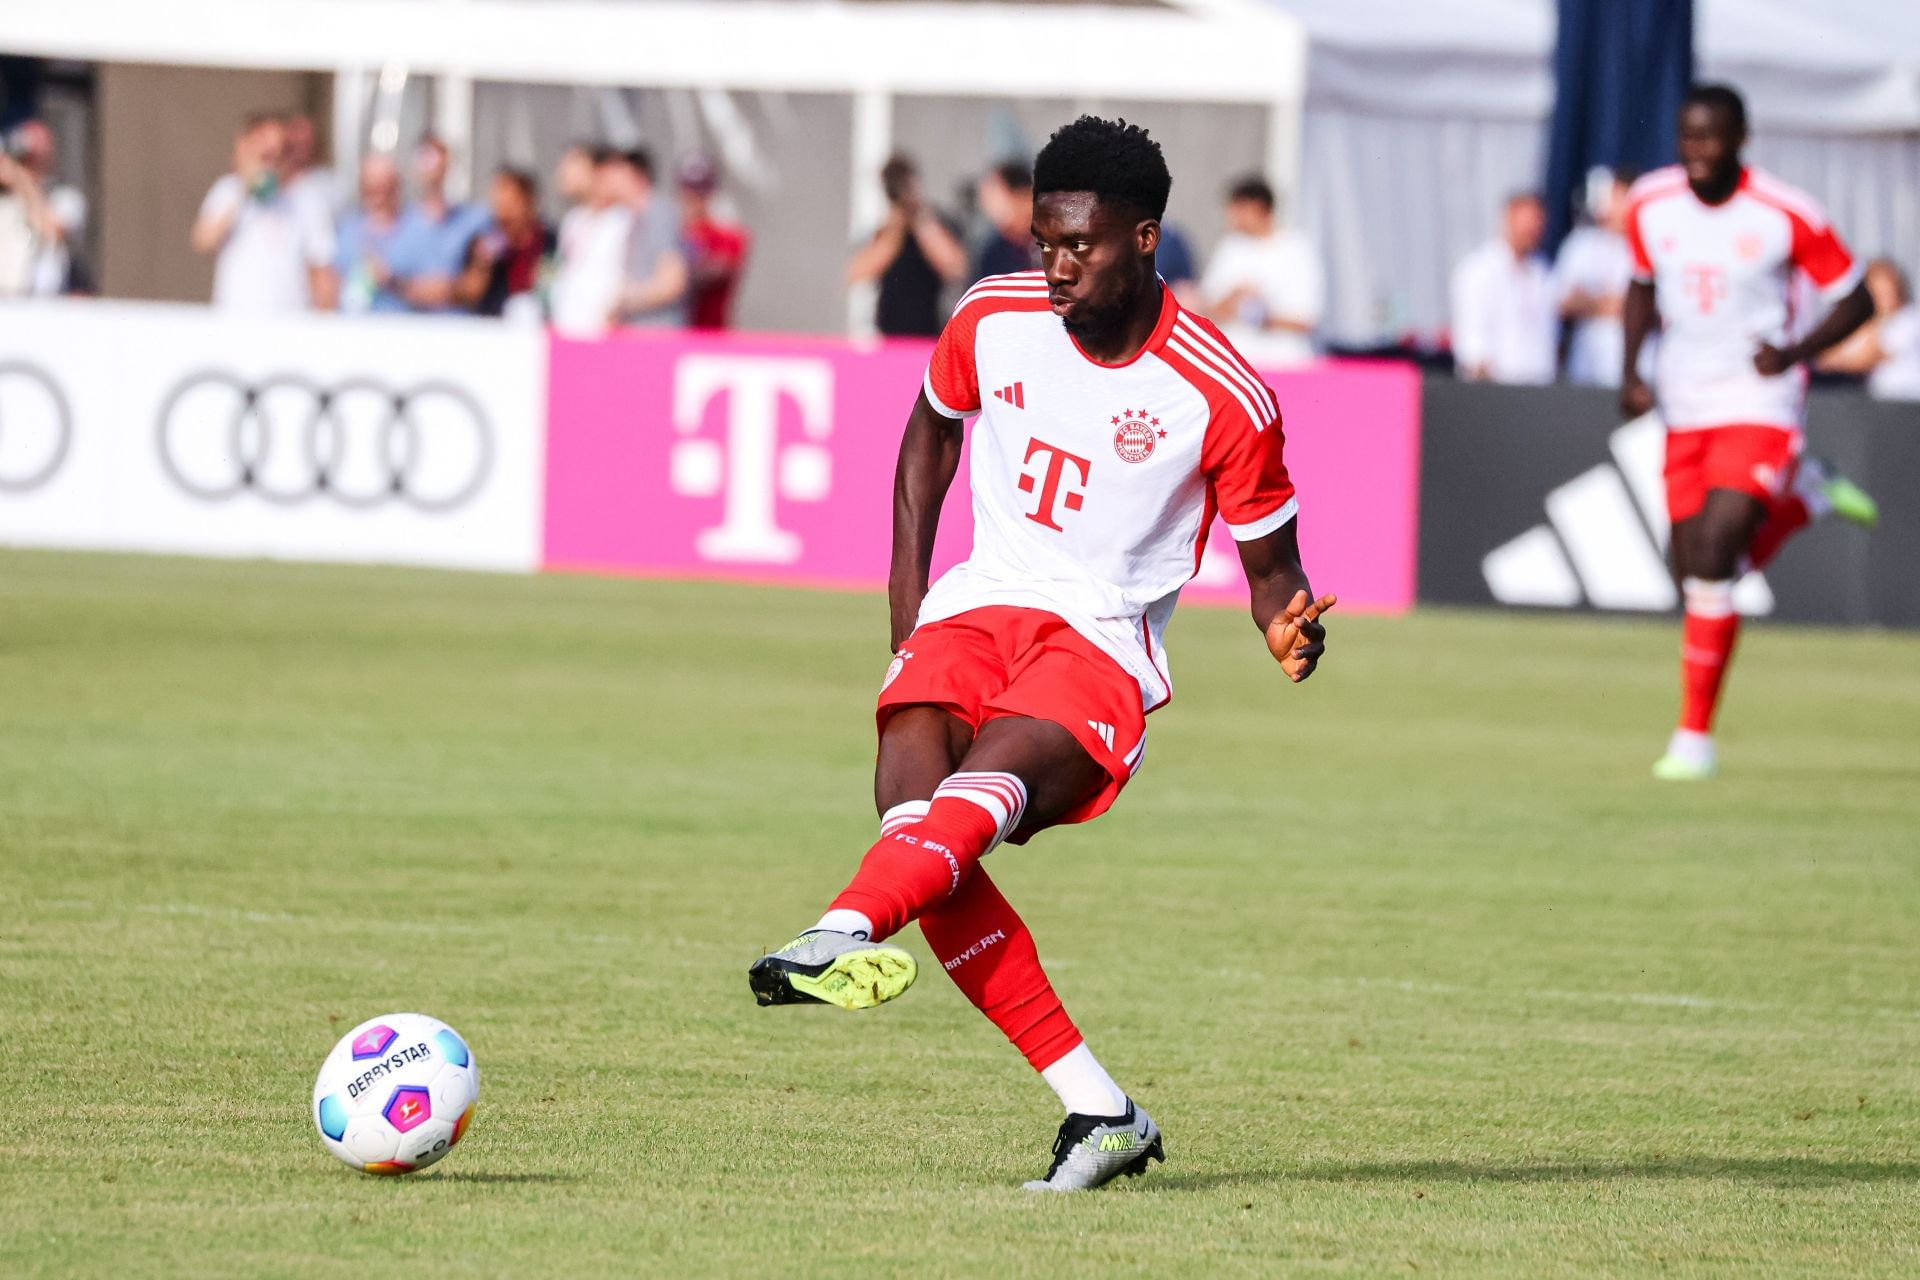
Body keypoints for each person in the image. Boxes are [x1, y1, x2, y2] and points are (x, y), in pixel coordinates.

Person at [746, 117, 1332, 1193]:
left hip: (1100, 639)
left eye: (1082, 246)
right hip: (975, 609)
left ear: (1146, 239)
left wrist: (1289, 625)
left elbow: (1273, 569)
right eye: (1044, 240)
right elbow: (929, 428)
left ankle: (836, 928)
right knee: (917, 827)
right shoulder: (992, 315)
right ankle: (1101, 1111)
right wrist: (907, 606)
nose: (1056, 265)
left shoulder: (1221, 391)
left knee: (969, 802)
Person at [1620, 83, 1880, 781]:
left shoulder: (1785, 213)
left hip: (1759, 401)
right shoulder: (1649, 202)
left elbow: (1856, 298)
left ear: (1740, 139)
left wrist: (1794, 354)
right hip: (1684, 403)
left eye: (1710, 138)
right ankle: (1809, 498)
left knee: (1713, 555)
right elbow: (1642, 286)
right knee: (1697, 575)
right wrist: (1630, 371)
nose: (1697, 152)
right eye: (1687, 137)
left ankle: (1693, 739)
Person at [190, 114, 334, 313]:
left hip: (290, 323)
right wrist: (244, 192)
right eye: (264, 155)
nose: (271, 162)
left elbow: (320, 267)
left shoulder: (305, 199)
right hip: (236, 318)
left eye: (278, 154)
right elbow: (203, 241)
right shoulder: (227, 190)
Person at [1199, 175, 1324, 366]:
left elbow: (1306, 318)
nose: (1231, 216)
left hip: (1285, 362)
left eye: (1238, 209)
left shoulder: (1295, 248)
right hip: (1236, 363)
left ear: (1258, 208)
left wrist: (1261, 315)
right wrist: (1234, 296)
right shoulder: (1230, 247)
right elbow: (1207, 311)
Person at [847, 155, 967, 338]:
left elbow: (955, 268)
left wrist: (920, 219)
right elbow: (857, 274)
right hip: (889, 337)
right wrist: (895, 227)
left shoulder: (936, 224)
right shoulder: (883, 231)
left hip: (931, 334)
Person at [1449, 192, 1556, 384]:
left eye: (1538, 225)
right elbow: (1473, 350)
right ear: (1509, 220)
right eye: (1527, 225)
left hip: (1540, 392)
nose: (1534, 232)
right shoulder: (1478, 272)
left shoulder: (1542, 271)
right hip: (1497, 394)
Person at [1554, 167, 1640, 387]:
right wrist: (1615, 304)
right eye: (1615, 198)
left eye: (1624, 199)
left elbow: (1647, 306)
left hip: (1637, 372)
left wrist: (1592, 301)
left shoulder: (1648, 245)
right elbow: (1563, 301)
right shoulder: (1580, 244)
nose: (1618, 207)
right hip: (1585, 370)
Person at [548, 146, 633, 337]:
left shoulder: (622, 220)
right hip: (566, 327)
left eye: (573, 166)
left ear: (598, 171)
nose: (563, 174)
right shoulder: (573, 220)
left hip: (603, 333)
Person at [457, 167, 554, 320]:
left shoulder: (548, 241)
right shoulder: (484, 241)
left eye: (510, 198)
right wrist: (482, 264)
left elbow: (550, 291)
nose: (501, 204)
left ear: (528, 200)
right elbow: (470, 294)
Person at [1820, 259, 1920, 402]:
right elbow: (1829, 353)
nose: (1883, 296)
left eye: (1888, 290)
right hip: (1880, 406)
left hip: (1908, 405)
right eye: (1877, 291)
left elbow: (1864, 359)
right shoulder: (1870, 325)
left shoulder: (1908, 320)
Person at [8, 120, 89, 295]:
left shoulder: (66, 198)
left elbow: (50, 230)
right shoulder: (7, 199)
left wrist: (21, 180)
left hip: (46, 304)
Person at [610, 148, 687, 328]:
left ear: (637, 176)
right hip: (637, 332)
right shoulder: (629, 219)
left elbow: (671, 283)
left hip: (658, 333)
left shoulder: (659, 214)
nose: (611, 181)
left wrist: (621, 299)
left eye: (617, 173)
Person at [327, 153, 412, 313]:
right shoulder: (347, 230)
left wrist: (394, 282)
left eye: (384, 189)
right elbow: (331, 283)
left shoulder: (417, 228)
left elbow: (442, 290)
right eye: (370, 190)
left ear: (397, 188)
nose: (378, 198)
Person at [675, 152, 750, 330]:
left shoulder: (728, 236)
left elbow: (718, 270)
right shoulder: (672, 231)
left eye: (700, 191)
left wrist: (673, 273)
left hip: (711, 334)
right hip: (673, 333)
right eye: (688, 190)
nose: (693, 198)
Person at [971, 159, 1038, 282]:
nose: (988, 208)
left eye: (993, 198)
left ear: (1022, 194)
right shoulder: (994, 254)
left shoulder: (1059, 237)